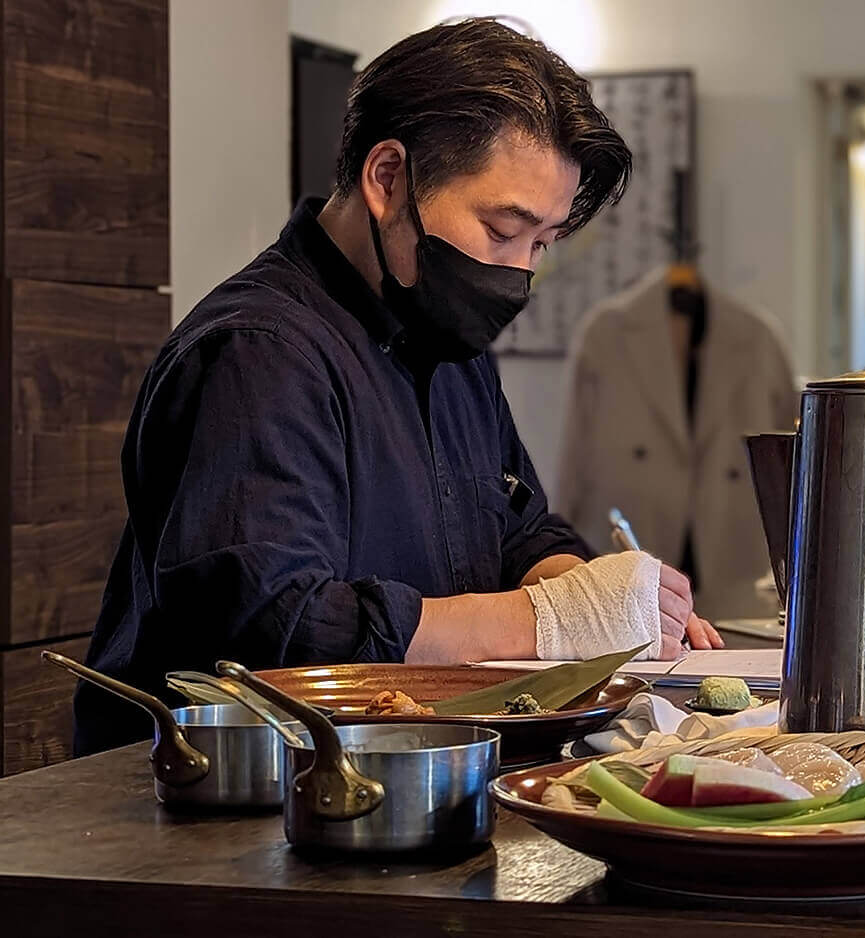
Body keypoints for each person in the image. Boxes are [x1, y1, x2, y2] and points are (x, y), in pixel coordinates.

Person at [75, 19, 721, 755]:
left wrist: (610, 601)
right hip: (230, 801)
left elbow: (515, 527)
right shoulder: (258, 353)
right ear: (388, 179)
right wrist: (552, 622)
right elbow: (274, 628)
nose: (520, 273)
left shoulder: (445, 340)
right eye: (501, 228)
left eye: (541, 244)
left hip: (412, 777)